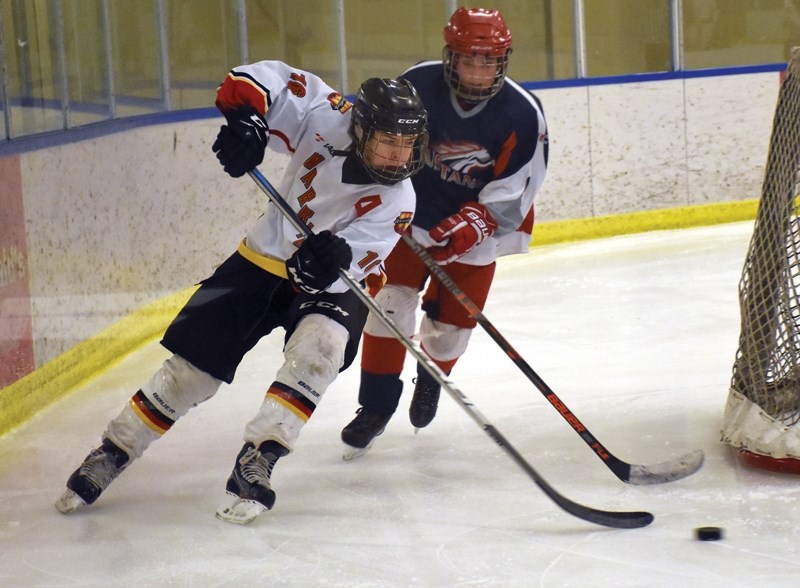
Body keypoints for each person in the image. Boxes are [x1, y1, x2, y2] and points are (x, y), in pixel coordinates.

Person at [55, 60, 428, 522]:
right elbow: (258, 78)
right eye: (388, 141)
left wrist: (334, 260)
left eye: (407, 144)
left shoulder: (400, 198)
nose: (399, 156)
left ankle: (260, 457)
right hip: (261, 258)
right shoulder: (326, 112)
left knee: (320, 350)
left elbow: (355, 262)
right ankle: (115, 449)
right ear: (360, 129)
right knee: (191, 373)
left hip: (333, 283)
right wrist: (247, 122)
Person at [341, 7, 548, 459]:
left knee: (451, 329)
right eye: (468, 60)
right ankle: (374, 407)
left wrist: (478, 221)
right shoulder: (418, 83)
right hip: (411, 218)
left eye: (488, 61)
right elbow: (385, 142)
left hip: (478, 230)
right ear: (449, 57)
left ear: (503, 61)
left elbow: (519, 188)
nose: (477, 72)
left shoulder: (523, 113)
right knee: (389, 305)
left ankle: (431, 379)